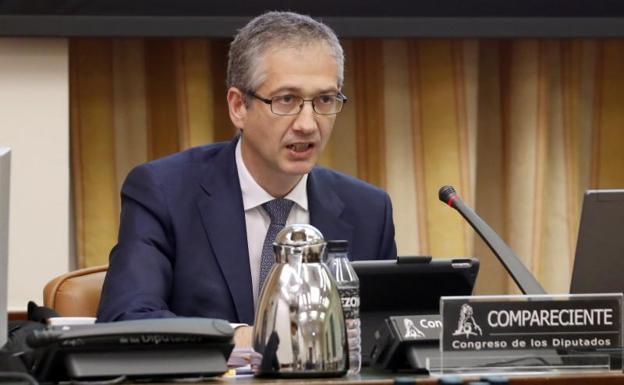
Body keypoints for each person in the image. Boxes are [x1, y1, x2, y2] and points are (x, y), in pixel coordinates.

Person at [97, 11, 397, 328]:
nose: (308, 124)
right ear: (239, 107)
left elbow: (386, 331)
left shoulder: (368, 210)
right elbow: (126, 318)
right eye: (286, 99)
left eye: (324, 100)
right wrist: (242, 339)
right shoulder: (164, 192)